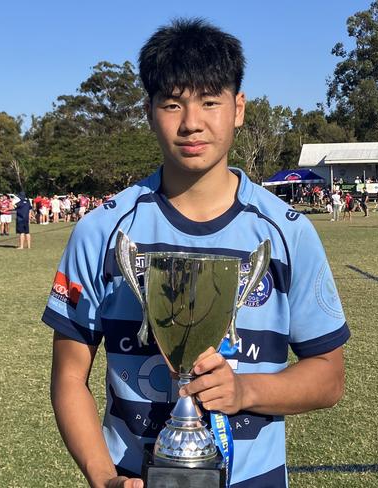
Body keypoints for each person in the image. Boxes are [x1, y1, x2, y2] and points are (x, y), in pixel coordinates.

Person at [42, 19, 349, 488]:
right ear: (149, 111)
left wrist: (244, 390)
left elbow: (329, 377)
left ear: (238, 108)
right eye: (172, 104)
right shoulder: (102, 231)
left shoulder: (288, 235)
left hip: (255, 479)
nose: (192, 122)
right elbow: (68, 377)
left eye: (210, 102)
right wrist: (103, 478)